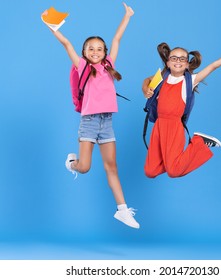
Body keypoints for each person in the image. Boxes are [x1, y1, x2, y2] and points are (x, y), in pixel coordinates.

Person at [43, 3, 139, 229]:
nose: (95, 52)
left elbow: (116, 40)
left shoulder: (109, 65)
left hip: (107, 122)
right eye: (90, 48)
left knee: (111, 167)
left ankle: (123, 210)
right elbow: (66, 43)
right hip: (89, 122)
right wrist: (51, 26)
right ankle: (71, 163)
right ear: (84, 52)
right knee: (84, 167)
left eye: (99, 49)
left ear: (104, 52)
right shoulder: (82, 66)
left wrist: (127, 16)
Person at [142, 38, 221, 178]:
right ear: (168, 62)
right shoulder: (162, 77)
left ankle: (199, 142)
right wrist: (145, 89)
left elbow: (213, 66)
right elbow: (146, 80)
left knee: (174, 171)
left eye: (182, 59)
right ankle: (171, 162)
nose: (178, 61)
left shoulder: (190, 80)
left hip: (174, 127)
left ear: (187, 64)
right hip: (159, 127)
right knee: (150, 171)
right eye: (174, 58)